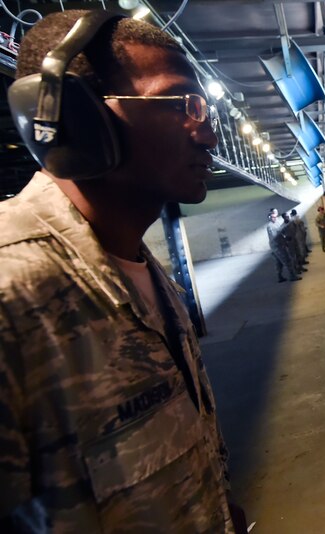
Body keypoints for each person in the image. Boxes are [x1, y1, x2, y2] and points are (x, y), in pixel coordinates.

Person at [0, 10, 246, 532]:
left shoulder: (155, 282)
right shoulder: (12, 296)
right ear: (77, 119)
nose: (208, 136)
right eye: (182, 103)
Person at [267, 211, 302, 282]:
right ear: (270, 218)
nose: (275, 218)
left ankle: (280, 277)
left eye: (275, 217)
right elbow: (275, 236)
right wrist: (285, 238)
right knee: (287, 260)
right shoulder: (270, 226)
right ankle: (292, 276)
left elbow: (280, 232)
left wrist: (285, 238)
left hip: (278, 244)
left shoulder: (275, 224)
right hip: (277, 246)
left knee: (279, 262)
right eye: (273, 217)